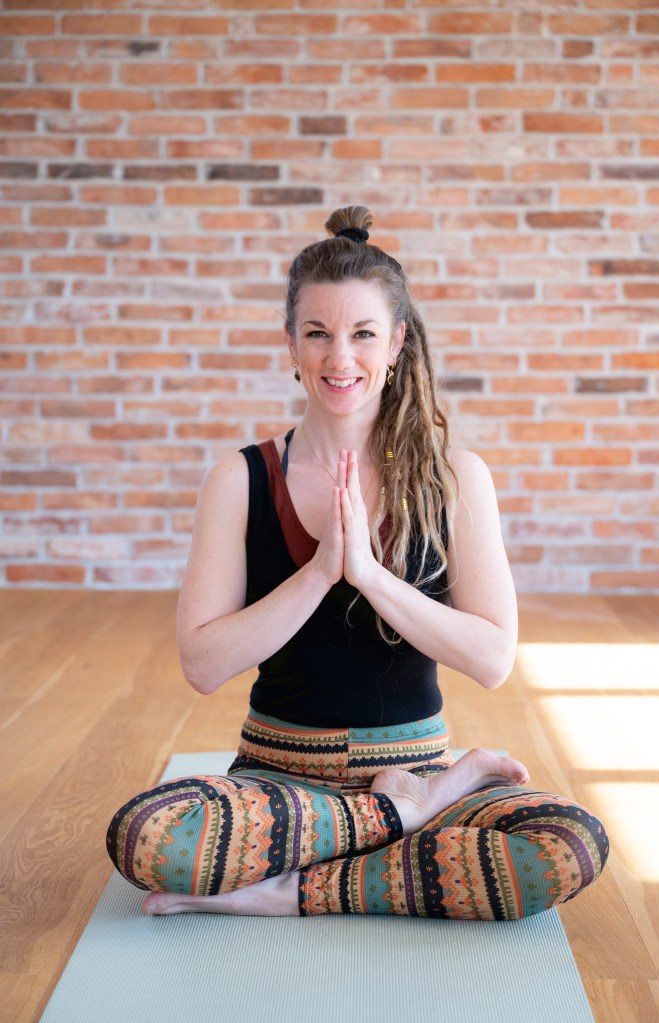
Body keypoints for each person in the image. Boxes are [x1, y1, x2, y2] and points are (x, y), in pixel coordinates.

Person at [106, 205, 608, 919]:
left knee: (567, 843)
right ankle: (397, 823)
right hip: (279, 787)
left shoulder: (456, 477)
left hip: (415, 766)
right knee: (147, 836)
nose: (340, 358)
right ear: (290, 342)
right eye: (318, 333)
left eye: (363, 333)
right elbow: (202, 665)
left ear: (397, 342)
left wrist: (369, 576)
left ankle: (292, 889)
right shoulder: (239, 479)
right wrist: (319, 573)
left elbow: (492, 658)